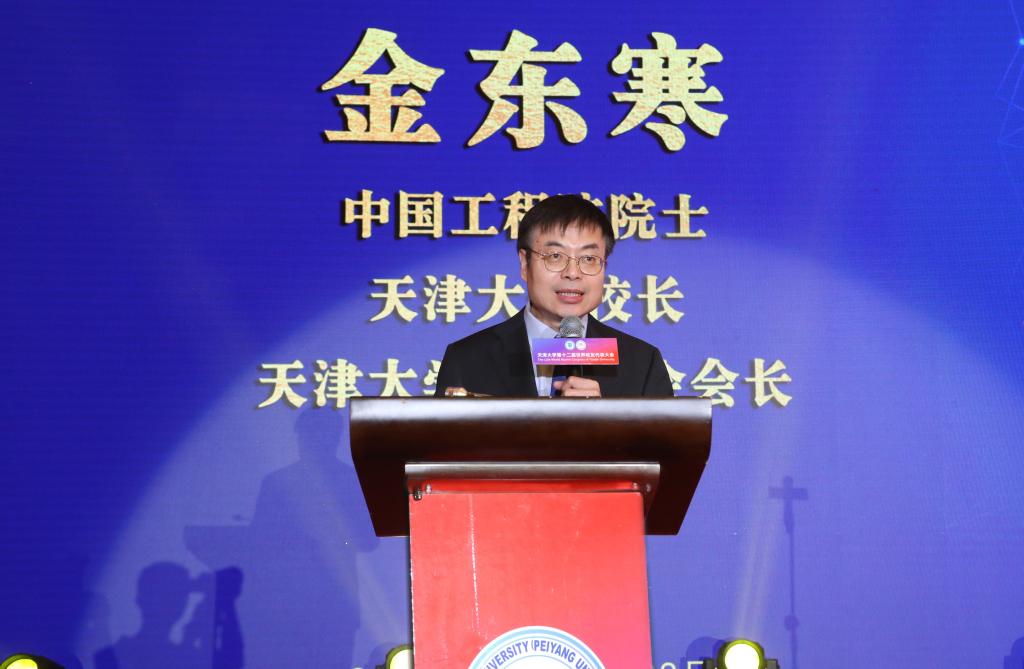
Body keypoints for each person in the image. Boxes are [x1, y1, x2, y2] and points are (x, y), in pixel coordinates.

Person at [434, 194, 672, 398]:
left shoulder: (642, 363)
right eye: (555, 256)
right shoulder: (467, 359)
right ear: (524, 264)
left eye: (589, 259)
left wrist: (605, 424)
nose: (572, 273)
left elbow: (662, 440)